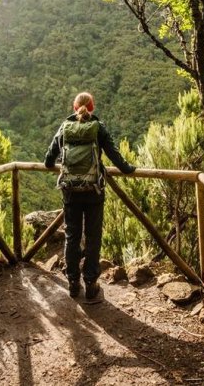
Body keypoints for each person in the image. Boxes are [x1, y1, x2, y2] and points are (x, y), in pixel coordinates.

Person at [44, 92, 135, 300]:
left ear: (74, 107)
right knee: (93, 237)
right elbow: (114, 155)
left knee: (72, 236)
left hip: (70, 192)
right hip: (94, 191)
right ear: (91, 107)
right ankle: (91, 284)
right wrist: (128, 169)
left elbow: (49, 159)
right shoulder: (97, 127)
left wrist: (53, 165)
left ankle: (73, 283)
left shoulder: (65, 127)